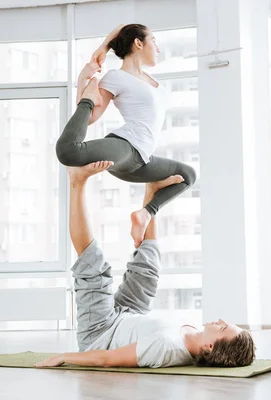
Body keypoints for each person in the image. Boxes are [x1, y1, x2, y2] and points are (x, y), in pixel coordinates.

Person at [34, 162, 255, 369]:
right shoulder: (196, 333)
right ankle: (151, 197)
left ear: (209, 346)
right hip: (130, 315)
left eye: (223, 327)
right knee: (149, 269)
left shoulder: (167, 348)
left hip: (102, 332)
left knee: (94, 267)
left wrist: (64, 357)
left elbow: (108, 359)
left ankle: (77, 181)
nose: (222, 321)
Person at [55, 23, 196, 248]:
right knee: (67, 151)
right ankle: (77, 173)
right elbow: (90, 118)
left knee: (188, 175)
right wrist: (85, 80)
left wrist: (105, 46)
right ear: (138, 43)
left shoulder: (153, 82)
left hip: (141, 162)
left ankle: (145, 214)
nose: (158, 49)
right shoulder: (116, 77)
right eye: (154, 41)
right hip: (124, 147)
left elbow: (124, 29)